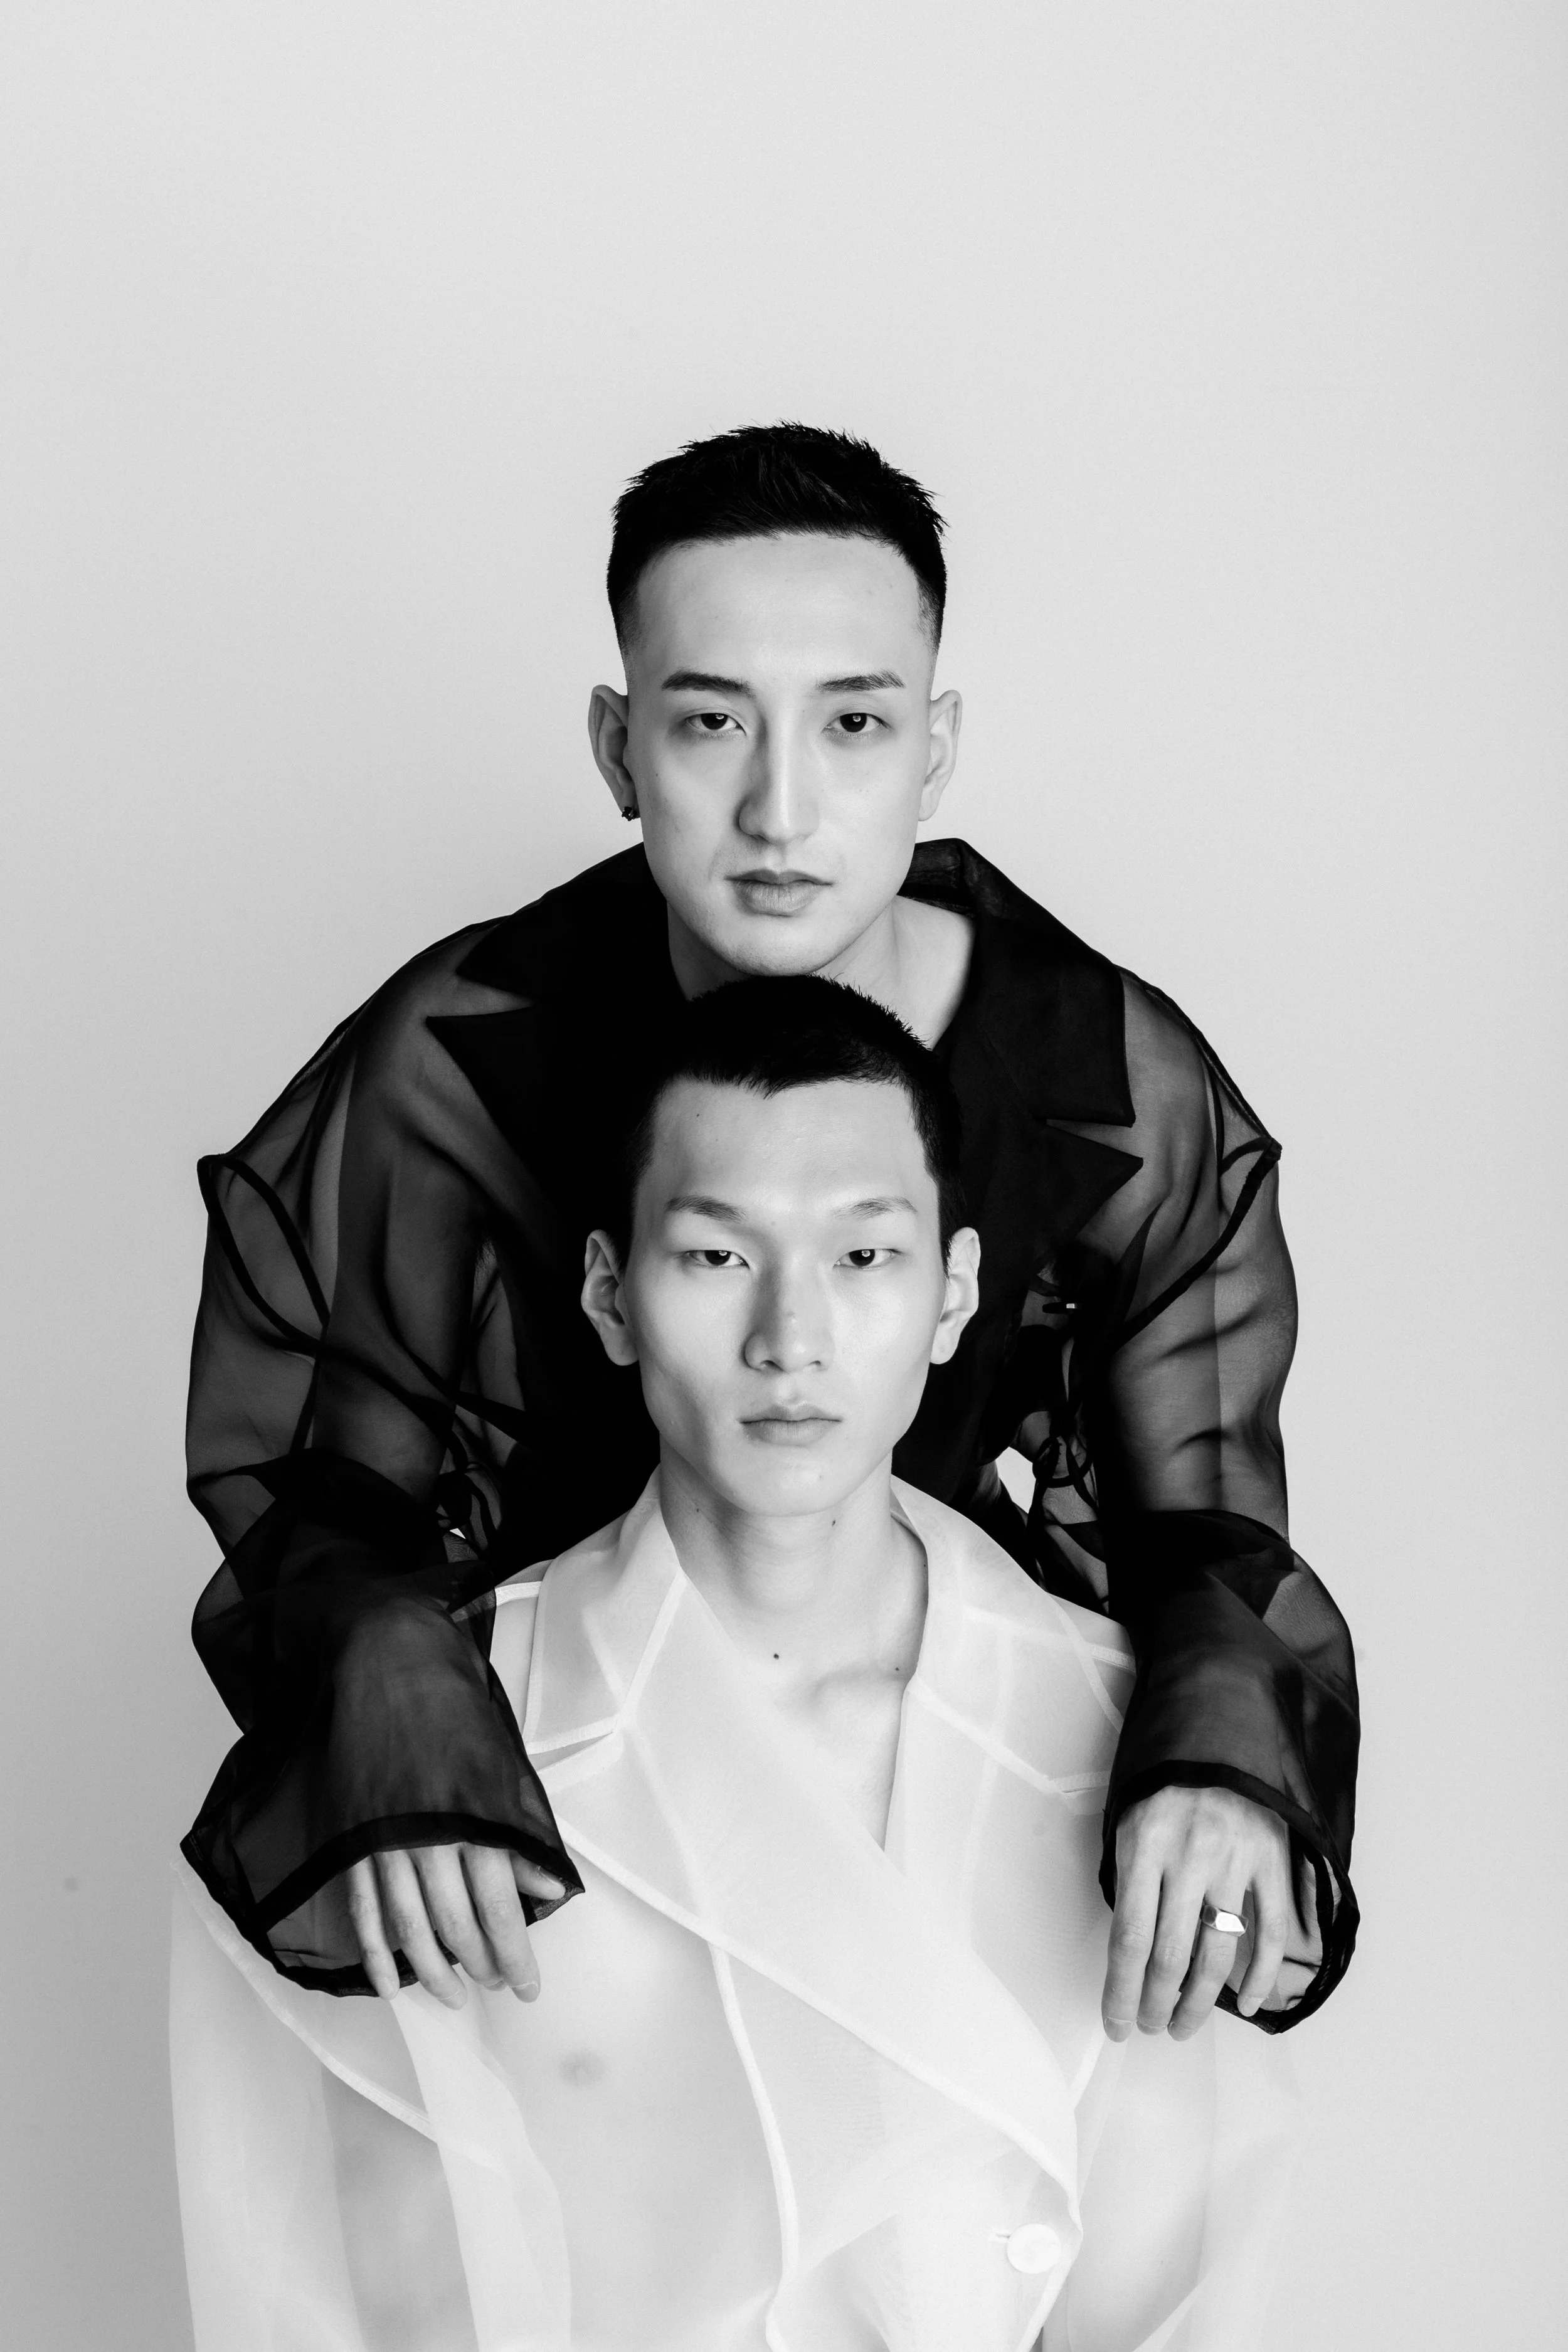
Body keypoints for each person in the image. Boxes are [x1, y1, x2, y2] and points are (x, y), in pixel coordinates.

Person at [181, 423, 1357, 2045]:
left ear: (934, 749)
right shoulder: (465, 1050)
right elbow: (335, 1490)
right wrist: (393, 1669)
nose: (779, 805)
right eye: (708, 721)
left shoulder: (1107, 1082)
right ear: (615, 747)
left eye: (854, 722)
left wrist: (1225, 1753)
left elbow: (1207, 1532)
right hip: (571, 1817)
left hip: (950, 1788)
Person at [171, 978, 1301, 2352]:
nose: (790, 1339)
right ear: (608, 1295)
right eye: (714, 1257)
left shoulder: (1151, 1764)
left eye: (862, 1259)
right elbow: (356, 2311)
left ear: (953, 1296)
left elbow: (1171, 2298)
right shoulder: (432, 1764)